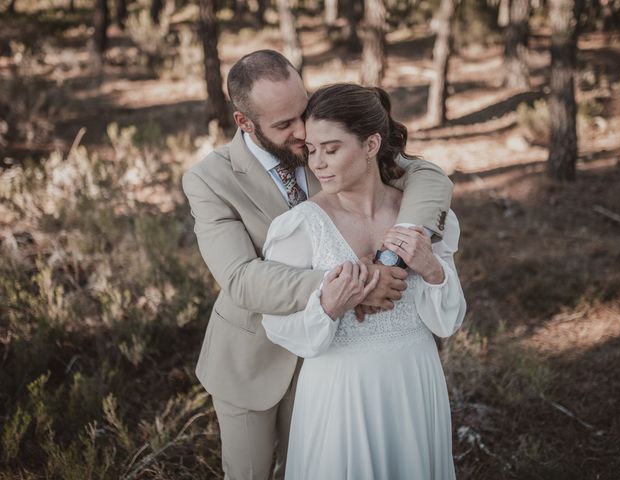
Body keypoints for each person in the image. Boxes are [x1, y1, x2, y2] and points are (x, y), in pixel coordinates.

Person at [182, 50, 453, 480]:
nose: (302, 130)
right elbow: (241, 279)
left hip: (332, 365)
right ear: (244, 122)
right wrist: (356, 283)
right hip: (253, 358)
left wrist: (391, 256)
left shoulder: (326, 144)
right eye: (284, 124)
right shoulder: (209, 180)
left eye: (302, 111)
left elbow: (429, 178)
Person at [261, 83, 466, 479]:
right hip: (341, 392)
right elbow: (277, 325)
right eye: (312, 150)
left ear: (371, 144)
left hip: (414, 378)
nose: (317, 163)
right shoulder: (299, 227)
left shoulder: (421, 218)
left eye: (332, 149)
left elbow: (448, 322)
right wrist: (331, 305)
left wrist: (432, 269)